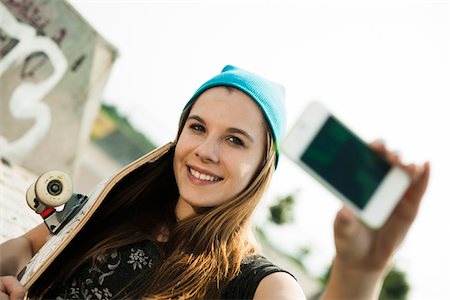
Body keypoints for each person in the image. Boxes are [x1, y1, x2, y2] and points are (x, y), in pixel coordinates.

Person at [0, 65, 430, 299]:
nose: (206, 150)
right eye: (198, 127)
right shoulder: (124, 201)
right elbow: (30, 245)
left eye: (235, 140)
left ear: (264, 166)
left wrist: (359, 274)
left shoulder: (258, 284)